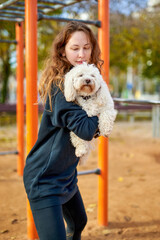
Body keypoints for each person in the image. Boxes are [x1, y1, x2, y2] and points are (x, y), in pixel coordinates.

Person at [23, 21, 103, 240]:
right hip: (44, 177)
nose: (82, 54)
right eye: (75, 48)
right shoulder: (60, 86)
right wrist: (103, 105)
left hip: (66, 172)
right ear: (62, 50)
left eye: (86, 47)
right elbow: (87, 130)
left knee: (79, 222)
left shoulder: (85, 80)